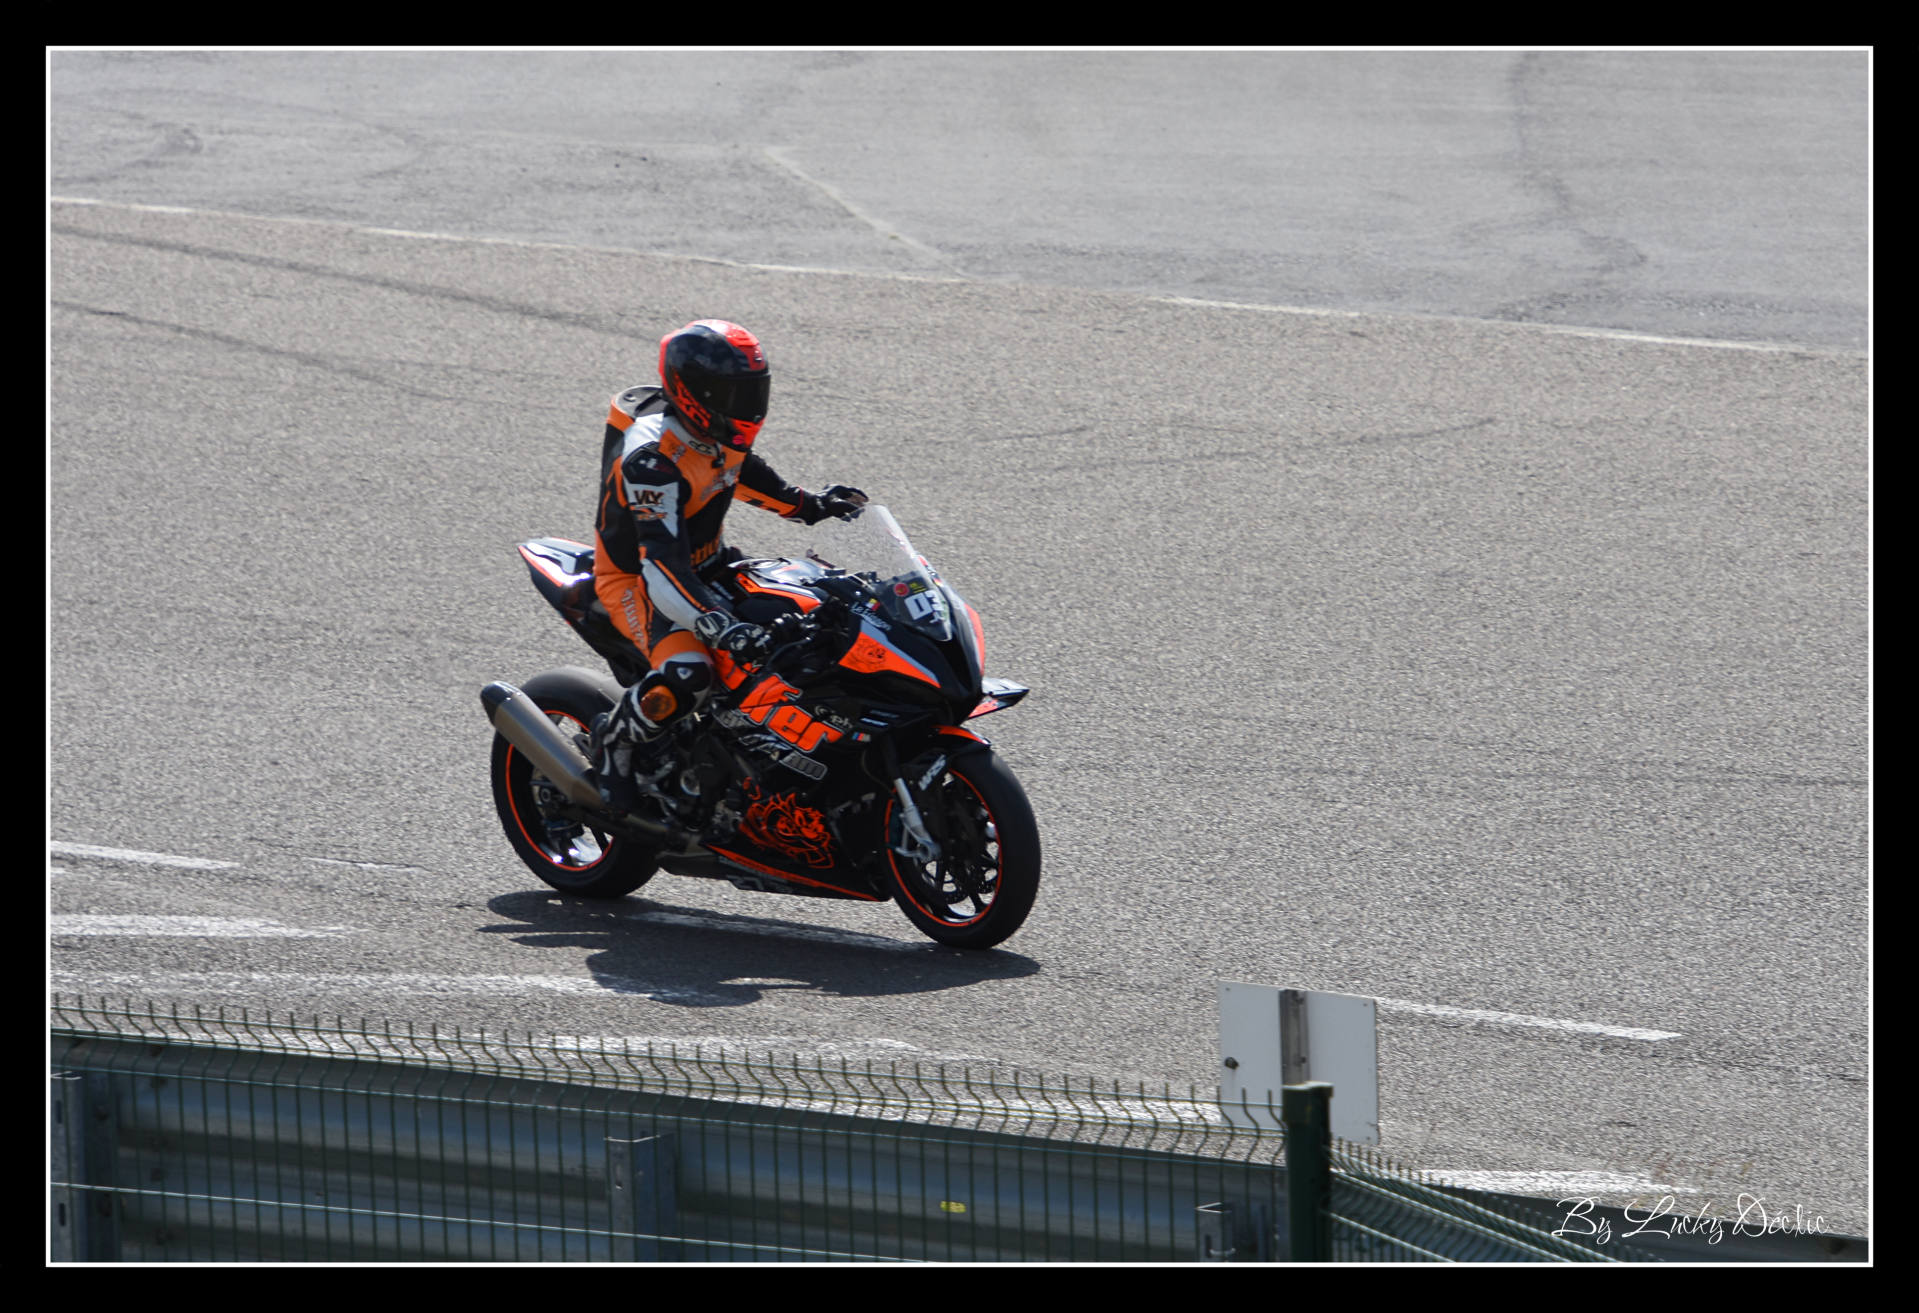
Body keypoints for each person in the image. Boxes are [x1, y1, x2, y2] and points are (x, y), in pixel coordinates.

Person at [589, 319, 867, 814]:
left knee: (814, 616)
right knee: (691, 672)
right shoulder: (652, 461)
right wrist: (719, 625)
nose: (748, 406)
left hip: (710, 566)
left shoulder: (713, 432)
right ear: (692, 392)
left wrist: (810, 505)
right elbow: (662, 568)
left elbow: (741, 472)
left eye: (753, 392)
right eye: (732, 394)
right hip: (639, 583)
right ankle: (615, 742)